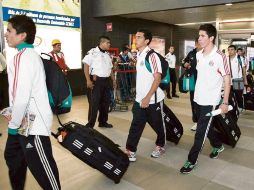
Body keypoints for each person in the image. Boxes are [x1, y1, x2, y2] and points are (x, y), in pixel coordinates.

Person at [4, 15, 61, 189]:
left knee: (43, 170)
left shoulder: (24, 57)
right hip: (23, 121)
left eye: (9, 30)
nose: (6, 34)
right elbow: (17, 93)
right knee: (13, 156)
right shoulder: (23, 56)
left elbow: (22, 95)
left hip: (33, 126)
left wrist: (13, 124)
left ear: (22, 35)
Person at [180, 24, 231, 174]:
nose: (199, 38)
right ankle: (217, 144)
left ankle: (191, 160)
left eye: (202, 36)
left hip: (211, 100)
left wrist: (225, 102)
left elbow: (227, 80)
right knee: (205, 126)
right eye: (199, 36)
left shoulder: (220, 57)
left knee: (200, 132)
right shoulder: (198, 54)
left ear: (211, 38)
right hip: (198, 98)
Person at [125, 29, 166, 162]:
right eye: (135, 37)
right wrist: (142, 97)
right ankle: (130, 150)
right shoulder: (139, 55)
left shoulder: (151, 55)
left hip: (153, 99)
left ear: (147, 40)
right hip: (139, 99)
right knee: (136, 124)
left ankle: (160, 145)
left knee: (158, 124)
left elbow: (157, 78)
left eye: (139, 37)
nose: (135, 39)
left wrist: (148, 97)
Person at [83, 36, 116, 128]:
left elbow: (110, 69)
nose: (109, 44)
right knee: (94, 104)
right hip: (96, 82)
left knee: (106, 103)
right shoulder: (92, 52)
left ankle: (103, 122)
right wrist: (88, 80)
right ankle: (90, 125)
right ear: (102, 43)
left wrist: (113, 80)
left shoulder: (108, 55)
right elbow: (86, 66)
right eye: (108, 43)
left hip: (106, 81)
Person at [182, 38, 202, 131]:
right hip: (193, 82)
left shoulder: (206, 53)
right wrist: (185, 64)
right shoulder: (191, 53)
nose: (199, 43)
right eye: (197, 42)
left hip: (204, 83)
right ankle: (196, 122)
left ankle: (205, 122)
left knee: (203, 103)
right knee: (193, 102)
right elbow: (184, 62)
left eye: (201, 41)